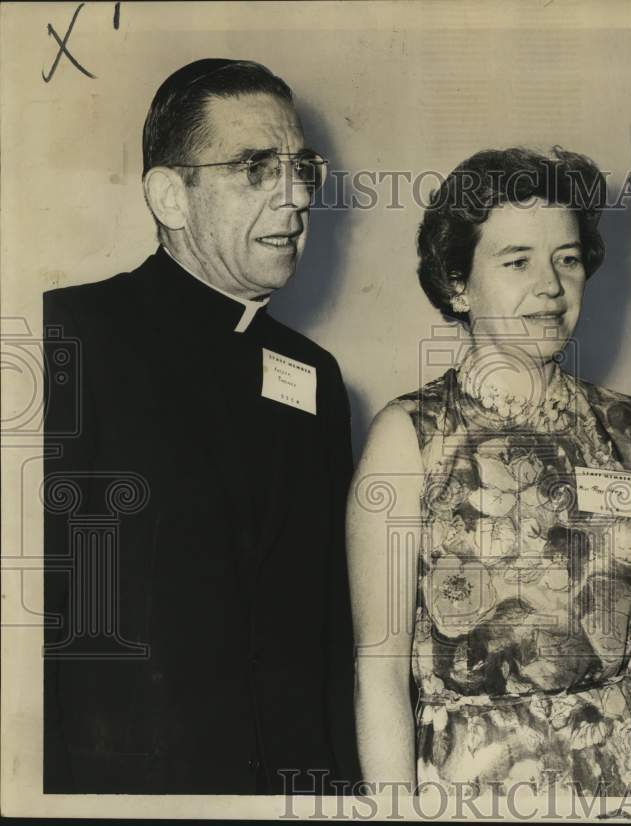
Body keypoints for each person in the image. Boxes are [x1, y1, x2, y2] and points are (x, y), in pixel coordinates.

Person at [43, 58, 358, 794]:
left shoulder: (315, 374)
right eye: (256, 168)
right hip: (121, 790)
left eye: (300, 168)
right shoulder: (69, 335)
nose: (295, 197)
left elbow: (328, 621)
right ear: (169, 196)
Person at [347, 147, 631, 795]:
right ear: (458, 284)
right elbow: (377, 673)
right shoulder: (410, 438)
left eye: (568, 259)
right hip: (475, 792)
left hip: (629, 781)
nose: (550, 286)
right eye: (517, 261)